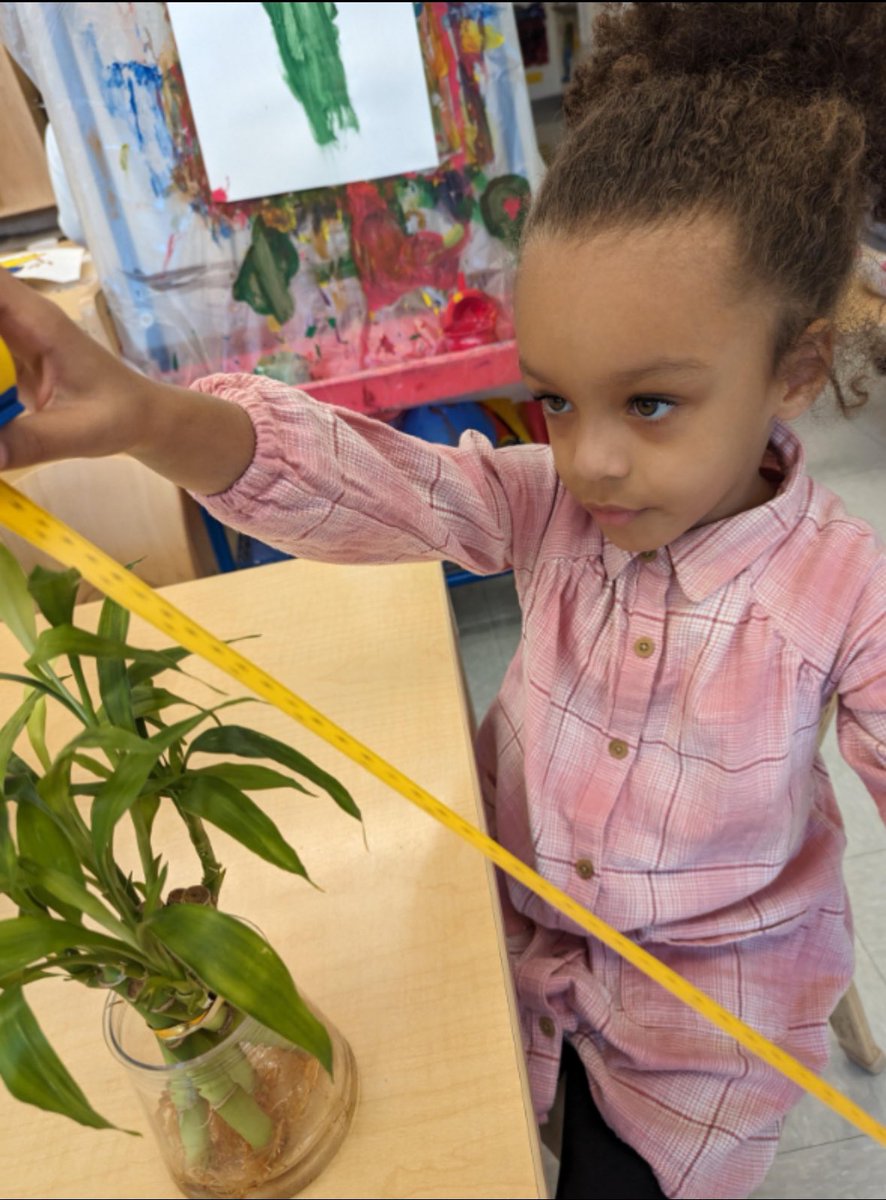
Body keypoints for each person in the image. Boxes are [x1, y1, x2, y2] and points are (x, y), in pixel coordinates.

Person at [0, 4, 884, 1197]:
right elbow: (377, 486)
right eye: (558, 402)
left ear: (793, 366)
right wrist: (155, 419)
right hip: (499, 923)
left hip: (703, 1020)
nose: (589, 462)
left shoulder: (848, 594)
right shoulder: (546, 505)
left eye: (653, 405)